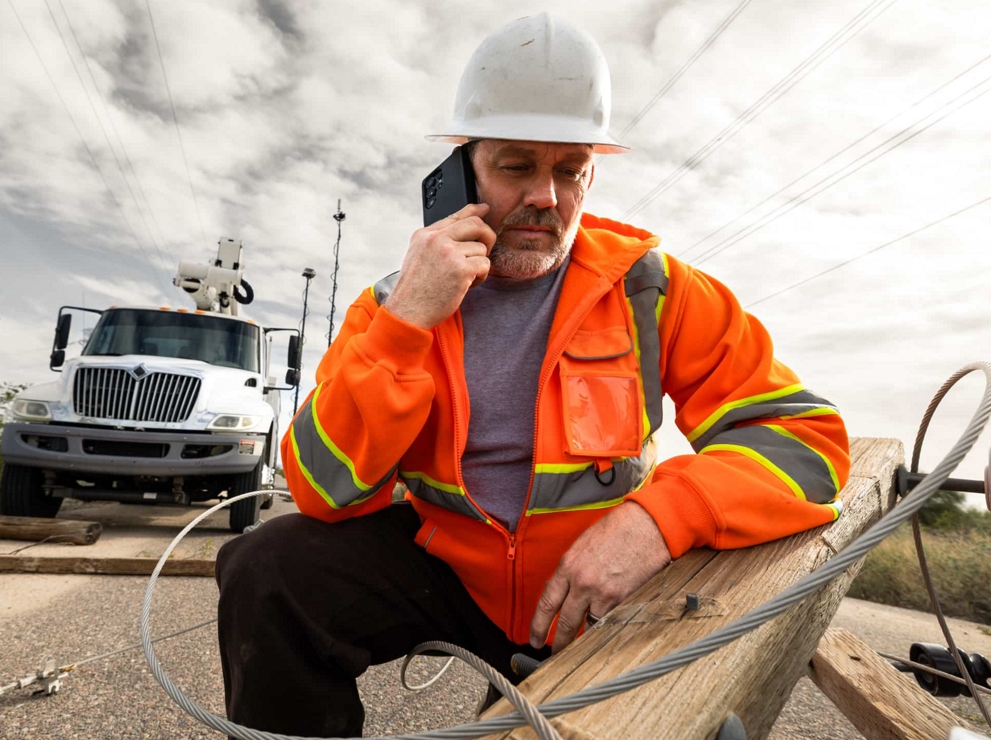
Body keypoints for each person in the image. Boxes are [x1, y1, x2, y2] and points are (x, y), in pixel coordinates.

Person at [215, 12, 850, 736]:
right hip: (453, 580)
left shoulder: (653, 289)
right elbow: (320, 490)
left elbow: (806, 441)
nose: (546, 196)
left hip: (599, 594)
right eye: (517, 166)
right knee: (267, 569)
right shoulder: (392, 305)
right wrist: (407, 327)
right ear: (461, 170)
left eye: (570, 169)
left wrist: (658, 520)